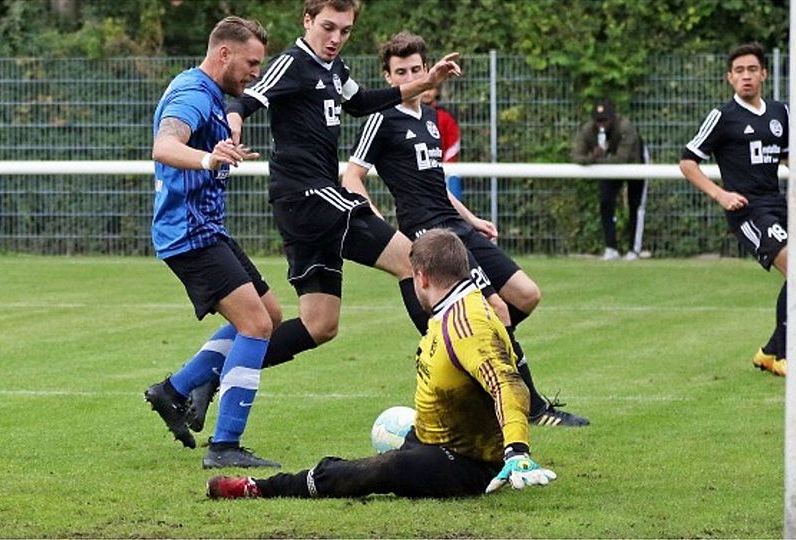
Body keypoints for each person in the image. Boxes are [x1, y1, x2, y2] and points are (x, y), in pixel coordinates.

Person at [342, 32, 588, 427]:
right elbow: (352, 175)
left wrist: (472, 218)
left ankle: (466, 353)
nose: (411, 76)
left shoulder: (431, 118)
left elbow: (435, 183)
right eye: (400, 71)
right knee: (498, 309)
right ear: (389, 78)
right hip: (429, 235)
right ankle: (531, 407)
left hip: (455, 224)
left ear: (426, 71)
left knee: (526, 295)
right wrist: (377, 224)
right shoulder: (380, 117)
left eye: (416, 69)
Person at [207, 229, 557, 500]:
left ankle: (261, 487)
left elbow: (508, 384)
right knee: (385, 456)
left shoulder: (468, 323)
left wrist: (517, 452)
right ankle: (325, 473)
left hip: (469, 463)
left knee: (386, 468)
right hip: (433, 440)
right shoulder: (450, 307)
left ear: (421, 277)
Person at [218, 1, 459, 372]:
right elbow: (246, 101)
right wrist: (234, 122)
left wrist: (426, 82)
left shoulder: (335, 68)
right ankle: (443, 365)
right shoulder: (292, 62)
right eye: (328, 28)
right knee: (412, 258)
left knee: (320, 325)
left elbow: (360, 103)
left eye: (344, 31)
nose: (335, 39)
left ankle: (193, 382)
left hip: (309, 204)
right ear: (307, 20)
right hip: (307, 196)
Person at [144, 16, 284, 469]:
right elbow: (165, 145)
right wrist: (207, 157)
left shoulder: (209, 95)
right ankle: (225, 447)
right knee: (256, 326)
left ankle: (175, 390)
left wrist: (226, 139)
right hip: (189, 234)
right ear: (224, 54)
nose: (255, 73)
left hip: (207, 230)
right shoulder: (190, 93)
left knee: (272, 315)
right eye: (251, 63)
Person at [679, 42, 789, 377]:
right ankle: (784, 355)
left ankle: (770, 352)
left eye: (752, 70)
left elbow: (787, 156)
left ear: (764, 74)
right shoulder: (722, 117)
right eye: (739, 71)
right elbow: (687, 162)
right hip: (748, 211)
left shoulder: (781, 112)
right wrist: (721, 195)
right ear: (729, 78)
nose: (746, 76)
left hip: (779, 204)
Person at [572, 99, 647, 261]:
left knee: (636, 204)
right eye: (597, 120)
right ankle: (611, 248)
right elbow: (577, 156)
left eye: (604, 120)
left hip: (635, 162)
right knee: (606, 202)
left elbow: (623, 158)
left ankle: (634, 249)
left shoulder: (625, 127)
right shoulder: (588, 130)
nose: (601, 124)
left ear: (612, 118)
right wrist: (593, 156)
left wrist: (596, 161)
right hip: (607, 164)